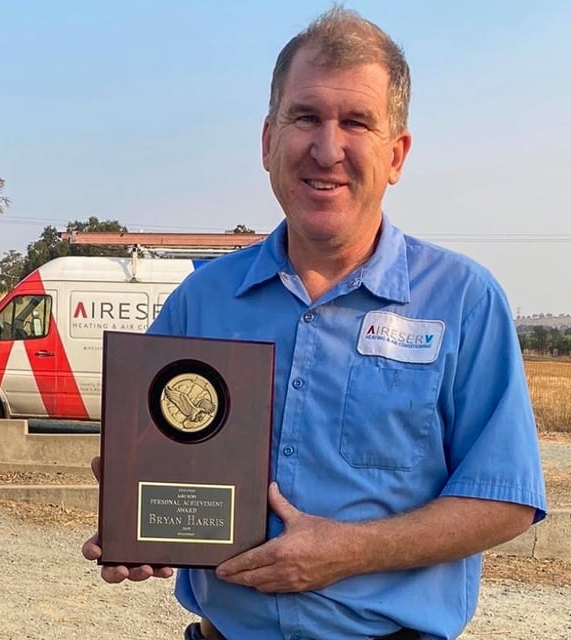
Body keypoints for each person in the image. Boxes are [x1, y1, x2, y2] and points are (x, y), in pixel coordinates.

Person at [83, 7, 547, 639]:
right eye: (306, 117)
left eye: (356, 121)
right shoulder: (201, 300)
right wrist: (136, 512)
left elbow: (506, 499)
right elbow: (150, 458)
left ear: (396, 154)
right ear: (268, 140)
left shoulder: (464, 301)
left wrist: (350, 550)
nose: (326, 149)